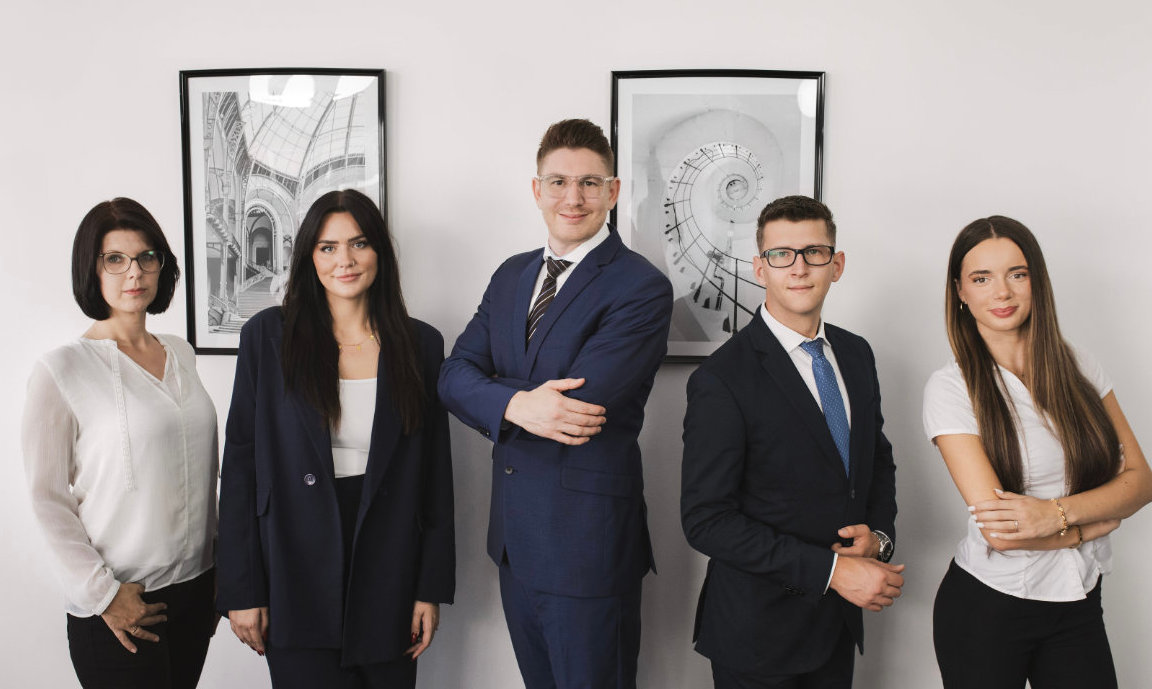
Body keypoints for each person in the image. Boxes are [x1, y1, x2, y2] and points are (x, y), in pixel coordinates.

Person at [438, 118, 672, 689]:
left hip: (587, 546)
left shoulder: (640, 286)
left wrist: (495, 394)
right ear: (536, 189)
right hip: (514, 542)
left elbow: (577, 405)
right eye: (559, 182)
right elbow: (451, 375)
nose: (574, 198)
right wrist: (518, 405)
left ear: (613, 192)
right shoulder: (510, 276)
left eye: (590, 183)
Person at [216, 189, 455, 689]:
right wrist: (242, 588)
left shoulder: (421, 344)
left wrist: (429, 587)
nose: (344, 260)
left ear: (379, 253)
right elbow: (239, 467)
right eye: (327, 247)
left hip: (391, 562)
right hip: (291, 564)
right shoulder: (268, 337)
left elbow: (436, 475)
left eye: (359, 243)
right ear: (309, 256)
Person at [682, 195, 903, 689]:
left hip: (837, 627)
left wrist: (879, 538)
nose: (799, 268)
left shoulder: (856, 353)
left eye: (814, 252)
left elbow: (877, 462)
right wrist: (832, 571)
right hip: (758, 636)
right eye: (782, 254)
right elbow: (706, 521)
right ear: (760, 268)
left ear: (836, 265)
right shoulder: (722, 378)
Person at [923, 216, 1152, 689]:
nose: (1002, 292)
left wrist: (1054, 515)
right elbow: (1002, 533)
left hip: (1080, 599)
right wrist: (1083, 529)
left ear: (1037, 281)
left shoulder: (1079, 364)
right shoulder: (950, 388)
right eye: (981, 278)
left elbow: (1141, 481)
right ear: (960, 291)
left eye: (1017, 274)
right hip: (989, 609)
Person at [22, 198, 218, 689]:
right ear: (91, 268)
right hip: (122, 602)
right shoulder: (61, 369)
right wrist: (104, 596)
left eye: (147, 257)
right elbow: (47, 498)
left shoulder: (181, 353)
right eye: (115, 258)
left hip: (196, 591)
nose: (135, 272)